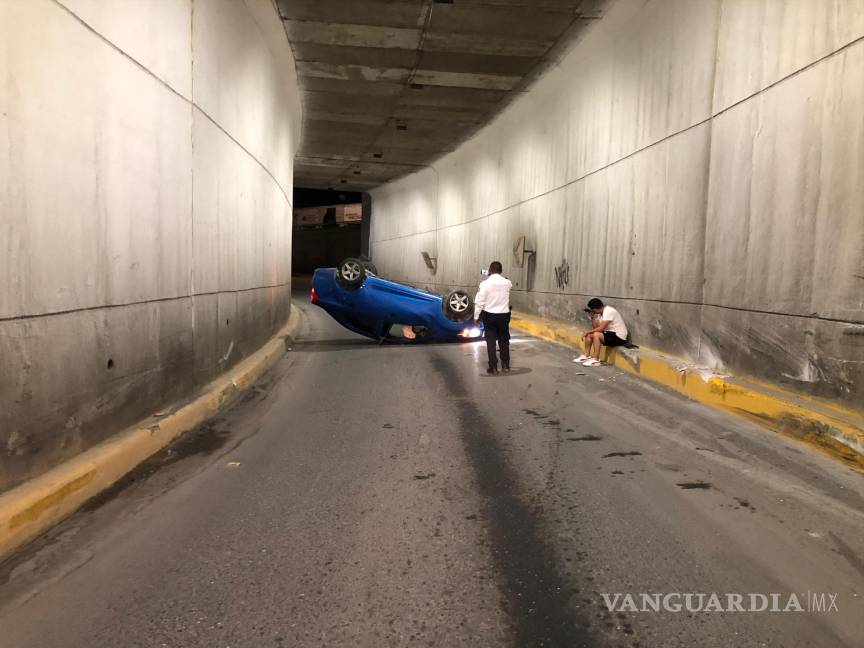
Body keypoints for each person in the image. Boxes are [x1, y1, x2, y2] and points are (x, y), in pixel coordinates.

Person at [474, 261, 512, 374]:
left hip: (490, 316)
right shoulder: (507, 283)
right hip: (504, 315)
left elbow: (479, 302)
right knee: (504, 340)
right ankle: (505, 365)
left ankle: (493, 367)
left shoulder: (484, 284)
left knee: (491, 341)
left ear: (490, 270)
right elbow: (507, 284)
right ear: (501, 270)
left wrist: (476, 316)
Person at [575, 297, 628, 367]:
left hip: (619, 337)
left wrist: (587, 332)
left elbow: (601, 328)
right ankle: (586, 355)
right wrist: (592, 317)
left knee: (596, 334)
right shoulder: (600, 313)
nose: (593, 311)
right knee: (590, 334)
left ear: (594, 309)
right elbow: (596, 328)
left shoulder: (609, 311)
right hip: (610, 334)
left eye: (592, 310)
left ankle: (595, 359)